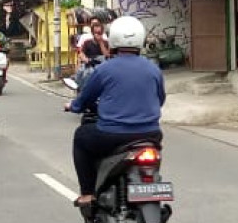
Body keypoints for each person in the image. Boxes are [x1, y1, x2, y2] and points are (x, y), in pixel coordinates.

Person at [65, 15, 165, 207]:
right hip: (151, 135)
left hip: (113, 135)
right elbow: (160, 99)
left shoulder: (104, 69)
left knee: (81, 136)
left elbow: (85, 98)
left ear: (113, 40)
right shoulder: (153, 69)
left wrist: (74, 106)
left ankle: (87, 194)